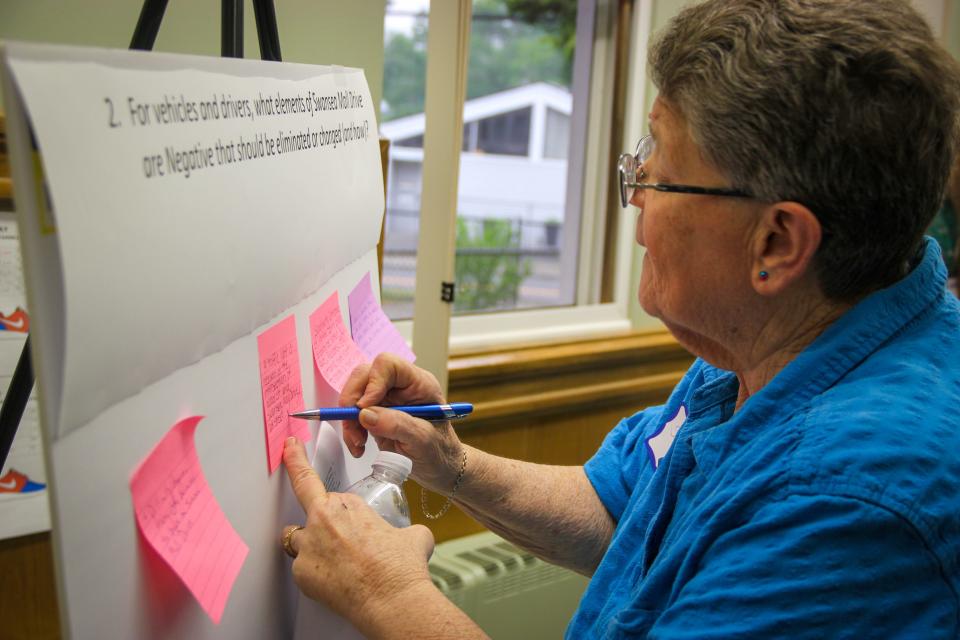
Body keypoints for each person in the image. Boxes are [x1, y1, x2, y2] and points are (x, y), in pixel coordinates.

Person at [280, 0, 960, 636]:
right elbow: (621, 512)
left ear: (777, 244)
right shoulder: (768, 341)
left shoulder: (845, 501)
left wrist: (391, 600)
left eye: (660, 172)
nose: (634, 192)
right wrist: (448, 463)